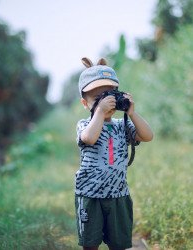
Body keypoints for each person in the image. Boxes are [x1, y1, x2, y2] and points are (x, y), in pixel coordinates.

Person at [75, 57, 153, 250]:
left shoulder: (122, 125)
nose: (106, 103)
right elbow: (89, 138)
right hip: (90, 195)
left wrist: (132, 113)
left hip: (118, 195)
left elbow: (148, 136)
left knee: (119, 244)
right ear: (85, 103)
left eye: (109, 96)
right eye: (98, 99)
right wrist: (100, 113)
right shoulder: (84, 125)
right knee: (90, 244)